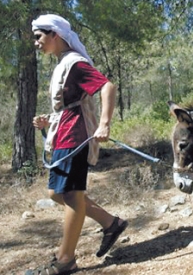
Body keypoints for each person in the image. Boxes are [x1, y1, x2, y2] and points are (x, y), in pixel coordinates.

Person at [26, 14, 128, 274]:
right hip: (63, 133)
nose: (36, 42)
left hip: (76, 136)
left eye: (39, 36)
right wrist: (49, 120)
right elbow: (70, 105)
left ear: (54, 35)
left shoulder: (75, 63)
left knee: (70, 195)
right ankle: (110, 223)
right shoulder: (63, 63)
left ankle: (65, 260)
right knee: (56, 194)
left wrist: (104, 123)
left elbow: (107, 87)